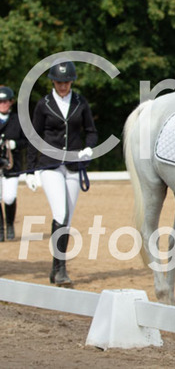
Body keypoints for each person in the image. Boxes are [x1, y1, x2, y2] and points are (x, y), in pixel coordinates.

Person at [25, 60, 98, 286]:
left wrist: (89, 148)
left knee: (67, 219)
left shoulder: (80, 102)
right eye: (59, 82)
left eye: (66, 82)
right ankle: (61, 270)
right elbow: (34, 137)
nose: (63, 86)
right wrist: (30, 170)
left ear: (72, 82)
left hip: (74, 166)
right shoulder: (43, 104)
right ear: (53, 82)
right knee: (60, 213)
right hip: (50, 166)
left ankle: (55, 267)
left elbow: (91, 131)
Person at [0, 86, 27, 242]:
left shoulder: (18, 120)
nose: (3, 104)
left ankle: (10, 223)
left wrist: (15, 144)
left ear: (11, 102)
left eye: (6, 101)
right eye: (0, 102)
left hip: (11, 164)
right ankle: (0, 229)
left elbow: (26, 141)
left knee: (9, 197)